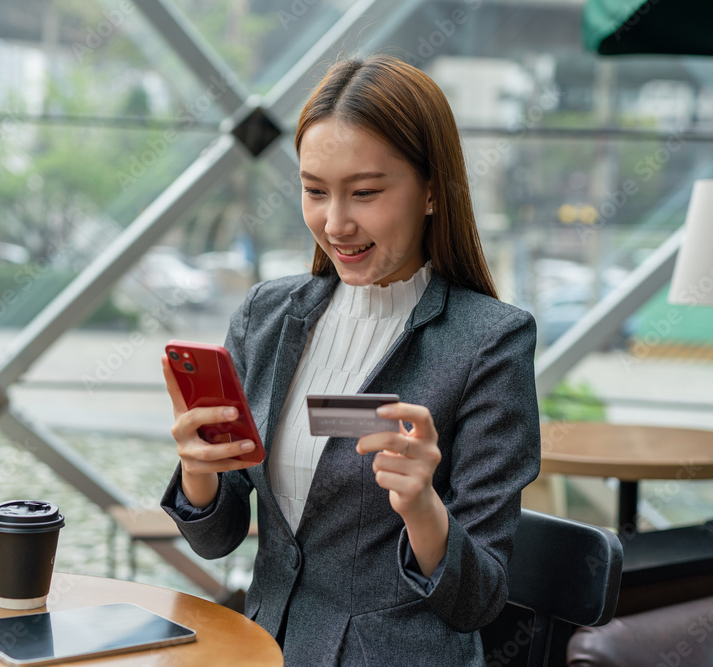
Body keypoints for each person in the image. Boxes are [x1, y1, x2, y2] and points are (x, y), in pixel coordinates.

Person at [159, 54, 541, 666]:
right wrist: (200, 472)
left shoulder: (489, 342)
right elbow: (217, 539)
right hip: (263, 648)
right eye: (314, 191)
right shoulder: (266, 316)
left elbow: (479, 600)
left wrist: (423, 509)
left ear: (433, 191)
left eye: (365, 193)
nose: (335, 224)